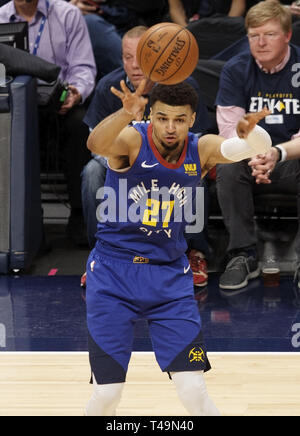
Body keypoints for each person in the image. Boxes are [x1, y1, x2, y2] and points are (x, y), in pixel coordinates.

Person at [83, 77, 271, 415]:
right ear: (150, 116)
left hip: (171, 279)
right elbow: (96, 144)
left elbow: (247, 148)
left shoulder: (201, 148)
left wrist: (249, 133)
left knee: (194, 390)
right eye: (162, 118)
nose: (170, 128)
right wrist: (125, 114)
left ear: (192, 120)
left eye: (180, 120)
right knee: (107, 393)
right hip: (113, 276)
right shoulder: (131, 140)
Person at [81, 25, 212, 288]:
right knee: (92, 172)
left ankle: (195, 251)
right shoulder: (110, 85)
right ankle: (100, 256)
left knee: (196, 174)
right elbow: (96, 144)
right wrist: (129, 157)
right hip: (123, 162)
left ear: (157, 56)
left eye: (140, 57)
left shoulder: (182, 83)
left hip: (171, 161)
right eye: (127, 57)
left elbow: (197, 141)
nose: (134, 65)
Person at [215, 0, 300, 291]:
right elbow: (230, 131)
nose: (261, 42)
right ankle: (243, 255)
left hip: (291, 159)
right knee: (226, 165)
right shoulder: (236, 69)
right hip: (251, 160)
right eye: (254, 35)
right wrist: (257, 156)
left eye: (270, 34)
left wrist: (278, 153)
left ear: (287, 35)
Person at [0, 0, 97, 246]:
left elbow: (83, 68)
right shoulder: (1, 17)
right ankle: (19, 223)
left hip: (59, 106)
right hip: (14, 107)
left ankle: (79, 214)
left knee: (78, 125)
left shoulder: (68, 15)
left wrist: (76, 92)